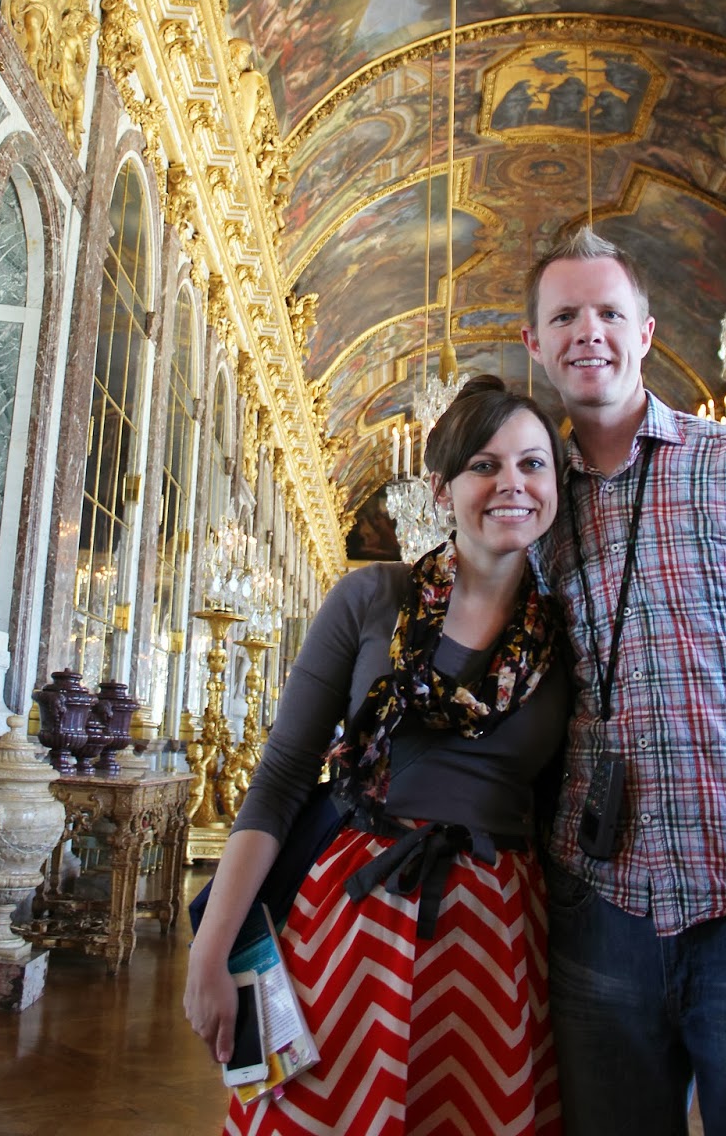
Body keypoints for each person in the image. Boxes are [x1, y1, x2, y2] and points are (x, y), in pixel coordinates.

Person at [519, 225, 726, 1136]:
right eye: (565, 315)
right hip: (598, 921)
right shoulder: (533, 509)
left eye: (609, 313)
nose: (589, 331)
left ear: (648, 332)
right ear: (536, 345)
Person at [184, 377, 569, 1134]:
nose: (512, 485)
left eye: (533, 464)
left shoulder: (570, 632)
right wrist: (210, 951)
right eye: (484, 466)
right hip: (355, 913)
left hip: (502, 932)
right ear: (441, 488)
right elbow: (282, 779)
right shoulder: (371, 598)